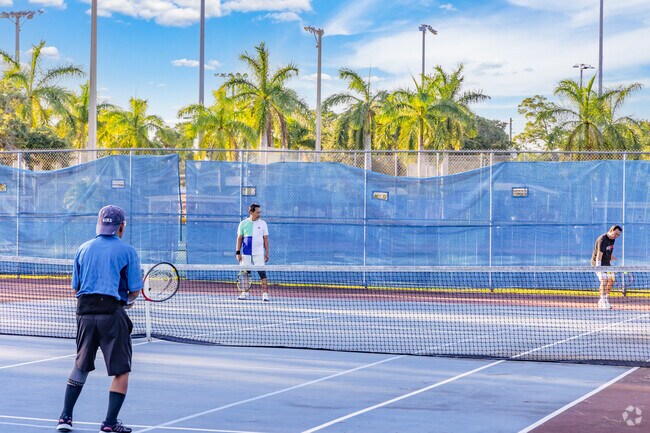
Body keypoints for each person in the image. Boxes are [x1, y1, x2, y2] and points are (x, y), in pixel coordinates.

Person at [56, 205, 142, 433]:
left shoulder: (83, 249)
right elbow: (134, 290)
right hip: (111, 315)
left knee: (80, 365)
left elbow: (76, 287)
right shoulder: (127, 251)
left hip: (84, 313)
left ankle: (65, 418)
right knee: (121, 370)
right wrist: (128, 301)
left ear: (100, 224)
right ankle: (110, 424)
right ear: (121, 227)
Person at [235, 203, 270, 301]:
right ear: (251, 212)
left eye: (260, 212)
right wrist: (238, 252)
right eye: (257, 212)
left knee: (262, 274)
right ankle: (245, 293)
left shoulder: (263, 224)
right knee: (246, 273)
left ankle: (265, 294)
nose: (259, 214)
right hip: (246, 253)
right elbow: (239, 238)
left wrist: (267, 253)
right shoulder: (243, 223)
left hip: (259, 253)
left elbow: (266, 239)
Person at [591, 225, 622, 310]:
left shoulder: (613, 239)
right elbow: (599, 255)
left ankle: (603, 298)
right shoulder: (602, 239)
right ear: (611, 230)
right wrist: (599, 269)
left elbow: (608, 250)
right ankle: (603, 300)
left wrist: (611, 257)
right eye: (615, 234)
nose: (616, 236)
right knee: (604, 280)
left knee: (611, 280)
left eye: (618, 235)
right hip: (598, 263)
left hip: (606, 263)